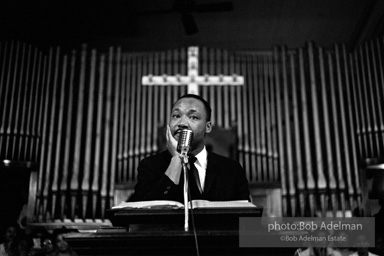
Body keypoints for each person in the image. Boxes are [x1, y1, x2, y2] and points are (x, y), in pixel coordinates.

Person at [129, 94, 250, 203]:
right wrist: (177, 159)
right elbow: (143, 215)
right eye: (176, 116)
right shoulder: (150, 166)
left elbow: (248, 221)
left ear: (208, 127)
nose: (182, 123)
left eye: (193, 117)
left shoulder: (231, 169)